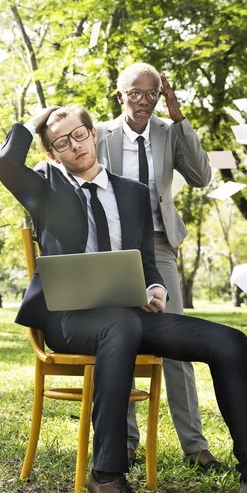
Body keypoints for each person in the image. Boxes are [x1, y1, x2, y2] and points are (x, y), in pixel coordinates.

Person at [0, 105, 247, 493]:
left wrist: (155, 288)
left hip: (128, 316)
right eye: (62, 143)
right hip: (69, 320)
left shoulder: (132, 192)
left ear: (92, 133)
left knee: (229, 341)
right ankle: (106, 476)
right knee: (120, 324)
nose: (75, 146)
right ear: (53, 153)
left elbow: (146, 261)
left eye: (80, 134)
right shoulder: (46, 187)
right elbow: (4, 162)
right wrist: (37, 122)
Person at [96, 63, 222, 472]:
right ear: (121, 96)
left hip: (160, 243)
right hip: (115, 248)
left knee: (176, 340)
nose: (145, 101)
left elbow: (202, 176)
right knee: (122, 339)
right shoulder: (100, 135)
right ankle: (128, 443)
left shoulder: (169, 131)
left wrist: (179, 114)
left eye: (153, 94)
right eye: (136, 93)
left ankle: (195, 446)